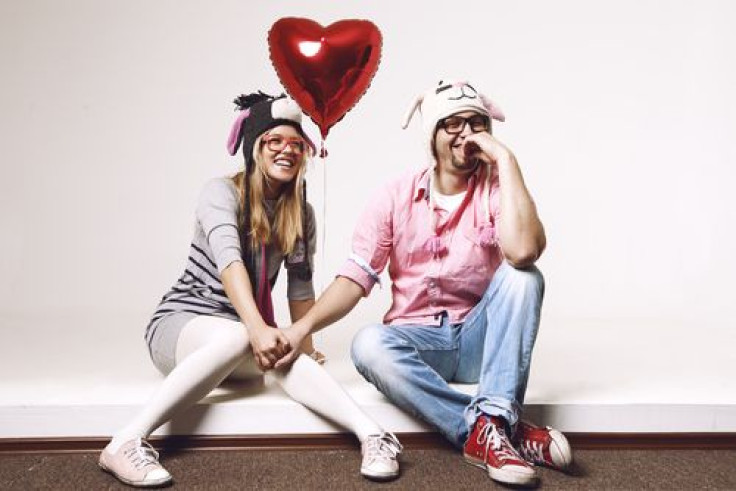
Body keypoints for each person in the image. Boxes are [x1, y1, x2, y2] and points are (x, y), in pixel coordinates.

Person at [274, 80, 573, 487]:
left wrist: (506, 159)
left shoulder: (497, 188)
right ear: (431, 135)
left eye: (476, 124)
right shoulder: (394, 195)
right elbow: (355, 277)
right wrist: (299, 330)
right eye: (452, 124)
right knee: (368, 344)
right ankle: (495, 429)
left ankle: (493, 422)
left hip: (479, 339)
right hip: (419, 339)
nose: (466, 134)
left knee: (524, 278)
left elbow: (523, 251)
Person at [99, 92, 402, 487]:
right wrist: (257, 330)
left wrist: (303, 346)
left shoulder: (300, 211)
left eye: (296, 144)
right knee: (249, 336)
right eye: (275, 141)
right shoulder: (220, 192)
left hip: (241, 338)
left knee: (284, 350)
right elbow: (231, 264)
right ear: (255, 147)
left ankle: (374, 435)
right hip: (181, 325)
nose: (287, 150)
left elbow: (299, 289)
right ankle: (126, 440)